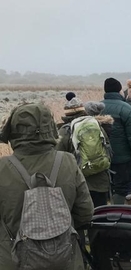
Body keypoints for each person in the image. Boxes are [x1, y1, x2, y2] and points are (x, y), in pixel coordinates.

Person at [0, 103, 94, 270]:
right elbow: (85, 213)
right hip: (65, 258)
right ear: (50, 128)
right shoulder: (67, 161)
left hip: (14, 260)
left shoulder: (2, 168)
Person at [56, 97, 114, 208]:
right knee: (100, 213)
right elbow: (108, 150)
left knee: (83, 217)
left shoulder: (64, 131)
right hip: (100, 180)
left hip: (78, 183)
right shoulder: (96, 125)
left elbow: (59, 158)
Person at [101, 77, 131, 204]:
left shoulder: (96, 108)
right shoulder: (126, 109)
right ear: (120, 90)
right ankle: (116, 213)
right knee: (120, 189)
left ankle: (101, 215)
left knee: (103, 188)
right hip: (123, 158)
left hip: (101, 156)